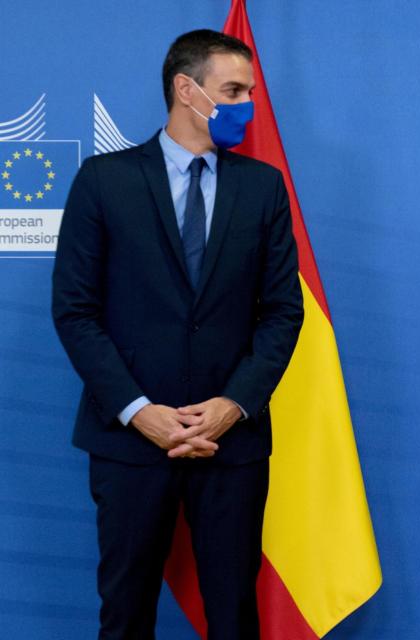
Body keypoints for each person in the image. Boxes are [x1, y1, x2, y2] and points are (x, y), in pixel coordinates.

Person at [52, 29, 303, 639]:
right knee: (125, 614)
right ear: (186, 90)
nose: (247, 104)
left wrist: (232, 405)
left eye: (249, 90)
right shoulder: (102, 181)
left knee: (234, 617)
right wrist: (141, 412)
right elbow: (75, 310)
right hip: (131, 443)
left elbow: (282, 312)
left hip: (231, 444)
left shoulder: (262, 187)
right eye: (233, 91)